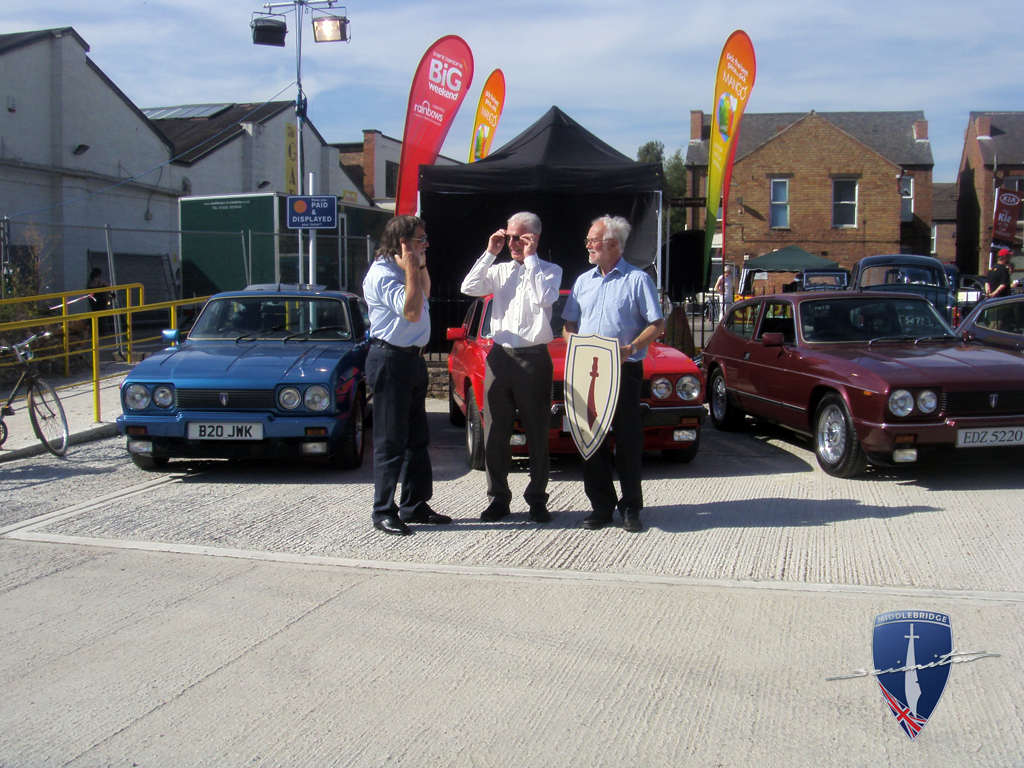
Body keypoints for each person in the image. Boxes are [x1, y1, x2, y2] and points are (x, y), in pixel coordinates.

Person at [562, 215, 665, 533]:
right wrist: (575, 346)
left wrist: (630, 348)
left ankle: (631, 507)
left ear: (613, 244)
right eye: (589, 240)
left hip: (624, 370)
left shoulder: (637, 280)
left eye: (593, 240)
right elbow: (568, 324)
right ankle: (601, 507)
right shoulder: (582, 281)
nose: (589, 246)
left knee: (628, 440)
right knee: (589, 439)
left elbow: (657, 325)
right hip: (587, 370)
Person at [460, 212, 563, 524]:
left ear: (534, 238)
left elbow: (545, 298)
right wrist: (490, 251)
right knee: (494, 434)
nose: (513, 243)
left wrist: (531, 259)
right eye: (510, 236)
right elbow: (469, 286)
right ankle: (498, 499)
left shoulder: (549, 270)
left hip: (533, 358)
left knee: (537, 432)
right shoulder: (500, 269)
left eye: (520, 237)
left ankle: (537, 500)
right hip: (500, 356)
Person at [362, 215, 452, 536]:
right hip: (390, 360)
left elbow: (424, 294)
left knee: (417, 439)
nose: (425, 243)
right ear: (402, 242)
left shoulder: (407, 269)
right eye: (420, 239)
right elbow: (412, 310)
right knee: (390, 440)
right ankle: (383, 510)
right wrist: (411, 267)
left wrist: (420, 265)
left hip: (413, 361)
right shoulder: (383, 274)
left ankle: (415, 505)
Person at [87, 267, 112, 336]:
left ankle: (94, 330)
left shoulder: (90, 282)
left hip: (92, 300)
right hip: (101, 300)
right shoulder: (100, 281)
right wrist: (108, 298)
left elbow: (86, 290)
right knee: (101, 316)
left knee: (95, 314)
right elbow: (109, 287)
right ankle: (101, 331)